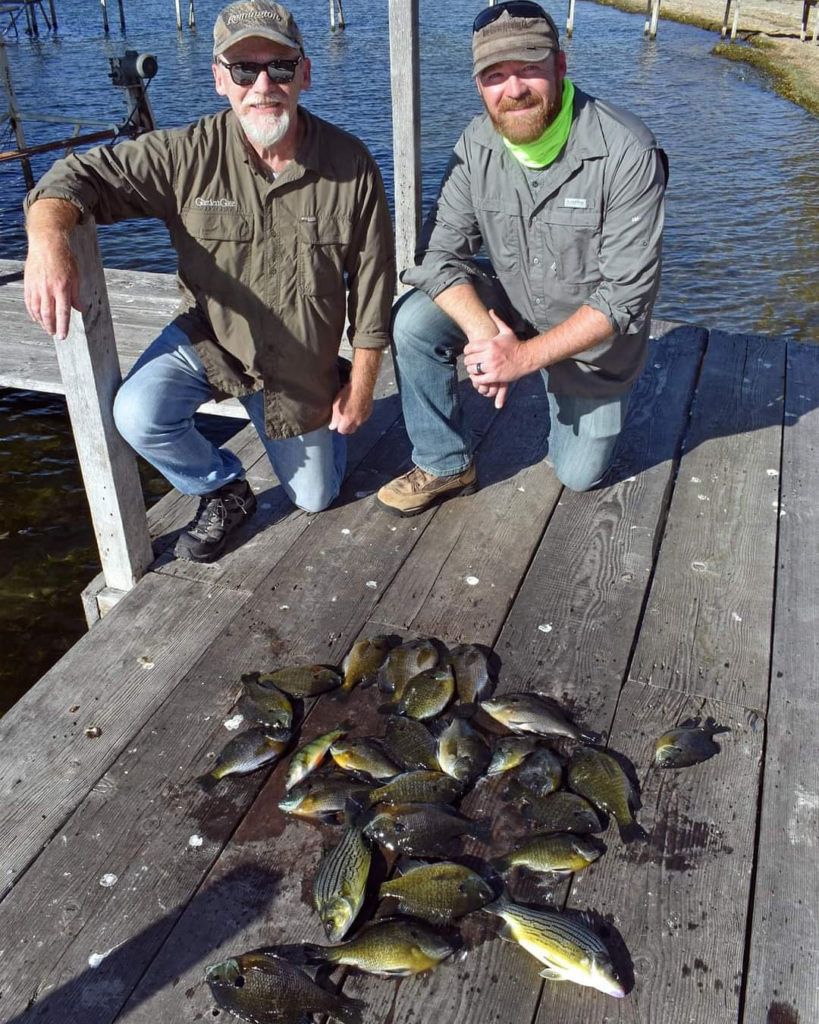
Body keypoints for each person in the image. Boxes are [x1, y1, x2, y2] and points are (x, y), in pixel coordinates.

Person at [23, 0, 395, 561]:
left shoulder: (353, 164)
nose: (263, 84)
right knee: (136, 414)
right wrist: (49, 241)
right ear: (219, 78)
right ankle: (222, 485)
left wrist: (362, 383)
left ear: (305, 74)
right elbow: (77, 176)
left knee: (316, 497)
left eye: (281, 67)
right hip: (211, 340)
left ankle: (329, 387)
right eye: (245, 69)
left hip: (297, 363)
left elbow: (373, 286)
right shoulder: (184, 154)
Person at [376, 0, 666, 517]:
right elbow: (436, 252)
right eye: (495, 76)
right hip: (512, 303)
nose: (513, 90)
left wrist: (523, 360)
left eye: (529, 68)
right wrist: (485, 336)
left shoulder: (628, 151)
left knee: (578, 475)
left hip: (591, 347)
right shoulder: (476, 143)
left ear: (560, 66)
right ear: (478, 84)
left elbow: (625, 297)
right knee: (414, 319)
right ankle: (445, 463)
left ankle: (571, 395)